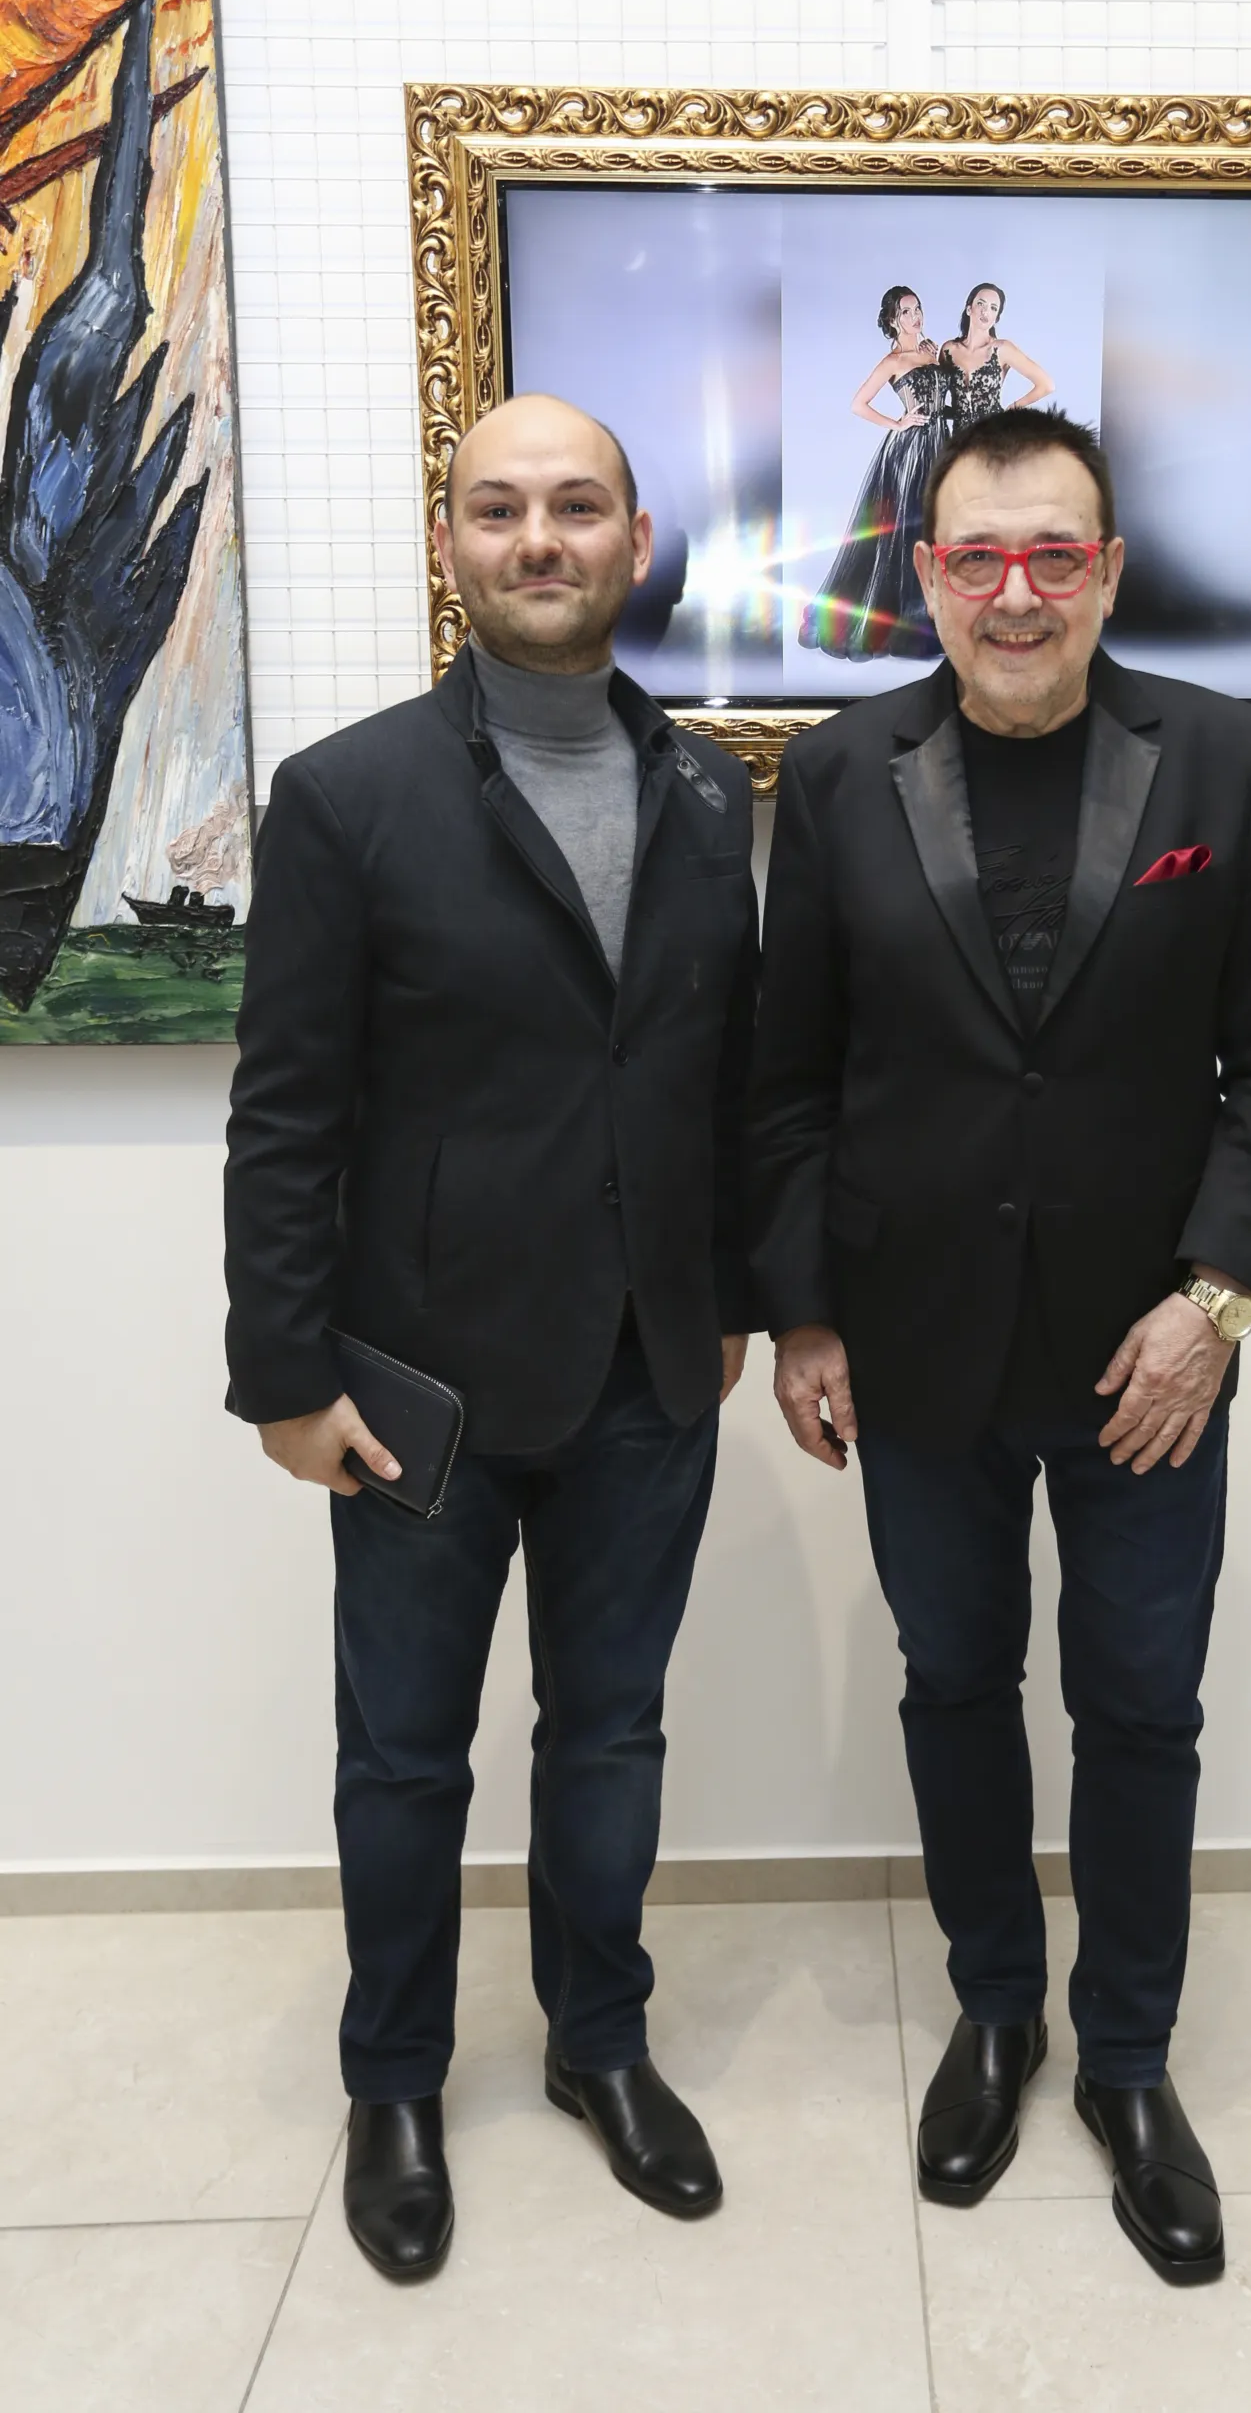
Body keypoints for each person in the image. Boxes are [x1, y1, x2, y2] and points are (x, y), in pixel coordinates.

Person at [748, 405, 1251, 2285]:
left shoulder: (1219, 758)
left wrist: (1213, 1304)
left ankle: (1130, 2062)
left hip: (1152, 1357)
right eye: (979, 557)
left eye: (1054, 555)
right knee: (952, 1685)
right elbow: (788, 1080)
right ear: (924, 574)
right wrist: (803, 1311)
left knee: (1142, 1707)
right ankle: (995, 2012)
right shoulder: (835, 773)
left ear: (1106, 571)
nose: (1017, 593)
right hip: (912, 1345)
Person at [224, 393, 756, 2281]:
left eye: (577, 505)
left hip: (646, 1378)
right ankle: (393, 2081)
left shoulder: (709, 794)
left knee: (610, 1736)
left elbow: (718, 1082)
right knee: (404, 1760)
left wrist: (731, 1300)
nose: (540, 538)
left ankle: (597, 2044)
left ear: (634, 541)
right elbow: (286, 1114)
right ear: (450, 541)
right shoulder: (346, 796)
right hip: (416, 1392)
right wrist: (284, 1375)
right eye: (499, 507)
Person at [800, 284, 951, 661]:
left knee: (939, 525)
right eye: (906, 312)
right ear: (892, 321)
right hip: (910, 453)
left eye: (917, 308)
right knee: (906, 530)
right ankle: (905, 618)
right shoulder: (892, 361)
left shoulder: (932, 350)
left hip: (941, 444)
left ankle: (940, 612)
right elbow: (858, 404)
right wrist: (897, 423)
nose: (915, 317)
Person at [940, 282, 1053, 432]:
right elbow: (935, 393)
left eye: (993, 308)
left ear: (996, 318)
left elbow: (1046, 385)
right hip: (960, 437)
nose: (985, 311)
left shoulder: (1002, 349)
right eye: (981, 304)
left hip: (993, 435)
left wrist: (1012, 409)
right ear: (969, 309)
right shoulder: (949, 350)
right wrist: (925, 354)